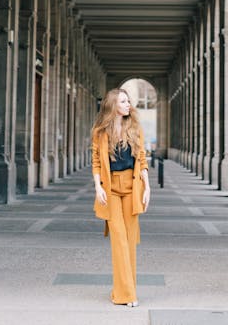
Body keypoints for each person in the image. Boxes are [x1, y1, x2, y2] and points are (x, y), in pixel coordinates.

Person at [92, 88, 151, 307]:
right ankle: (128, 295)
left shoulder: (135, 128)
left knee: (129, 241)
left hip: (132, 186)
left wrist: (147, 187)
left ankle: (124, 291)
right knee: (118, 238)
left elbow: (142, 158)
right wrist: (98, 187)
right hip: (110, 189)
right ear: (113, 106)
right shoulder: (100, 132)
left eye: (128, 101)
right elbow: (96, 161)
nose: (128, 105)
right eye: (124, 101)